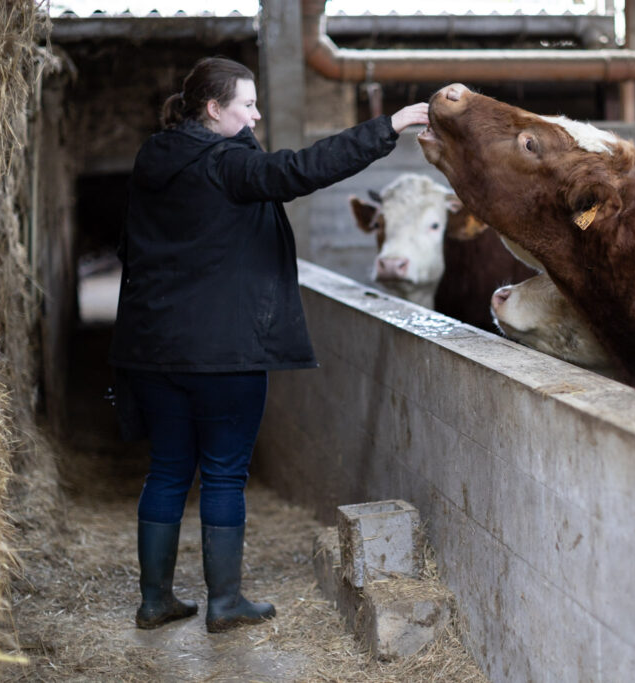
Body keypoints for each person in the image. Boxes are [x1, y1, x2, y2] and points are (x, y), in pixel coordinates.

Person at [109, 56, 428, 633]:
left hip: (153, 348)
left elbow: (132, 242)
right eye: (248, 105)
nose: (257, 115)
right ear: (213, 109)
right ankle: (224, 603)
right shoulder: (229, 167)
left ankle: (154, 600)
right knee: (225, 475)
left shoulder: (154, 157)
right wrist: (391, 125)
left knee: (166, 472)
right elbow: (301, 170)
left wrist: (242, 126)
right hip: (221, 352)